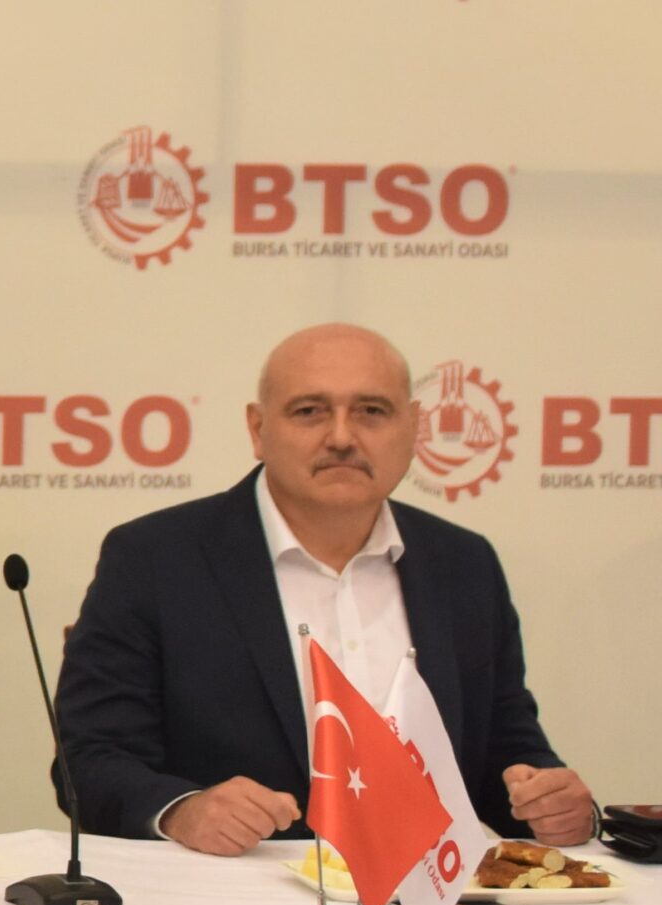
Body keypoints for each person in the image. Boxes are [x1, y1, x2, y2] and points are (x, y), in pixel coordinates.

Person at [54, 321, 593, 855]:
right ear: (258, 429)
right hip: (232, 891)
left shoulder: (463, 563)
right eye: (309, 411)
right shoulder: (155, 558)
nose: (341, 437)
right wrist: (182, 809)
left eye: (371, 411)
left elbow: (506, 751)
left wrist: (553, 803)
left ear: (413, 428)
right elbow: (91, 759)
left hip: (430, 895)